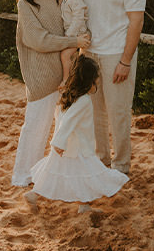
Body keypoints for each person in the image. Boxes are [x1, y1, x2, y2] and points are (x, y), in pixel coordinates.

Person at [12, 0, 92, 187]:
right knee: (36, 126)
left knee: (64, 128)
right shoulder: (25, 5)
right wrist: (73, 40)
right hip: (41, 75)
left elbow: (76, 19)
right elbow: (38, 40)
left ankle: (54, 175)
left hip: (66, 73)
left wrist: (77, 41)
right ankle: (23, 175)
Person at [77, 0, 145, 176]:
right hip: (89, 52)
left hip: (116, 53)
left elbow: (136, 21)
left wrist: (125, 61)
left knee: (118, 112)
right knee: (94, 111)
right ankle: (101, 160)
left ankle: (121, 166)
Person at [24, 55, 129, 213]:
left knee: (57, 172)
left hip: (67, 146)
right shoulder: (83, 101)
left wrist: (59, 144)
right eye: (96, 78)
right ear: (89, 81)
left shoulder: (70, 96)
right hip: (77, 147)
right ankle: (81, 204)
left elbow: (60, 117)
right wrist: (59, 143)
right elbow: (67, 122)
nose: (98, 81)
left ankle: (37, 195)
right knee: (84, 173)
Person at [59, 0, 91, 85]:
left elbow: (78, 19)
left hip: (78, 33)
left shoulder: (76, 0)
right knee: (72, 57)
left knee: (65, 55)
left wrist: (69, 36)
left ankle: (66, 79)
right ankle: (72, 77)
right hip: (72, 33)